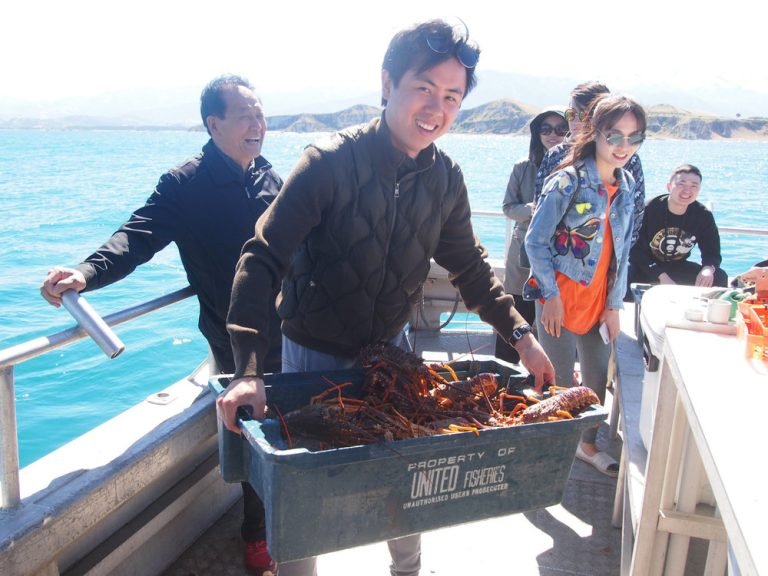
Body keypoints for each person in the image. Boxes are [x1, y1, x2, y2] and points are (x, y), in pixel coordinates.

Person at [218, 19, 556, 576]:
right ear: (387, 83)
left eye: (452, 97)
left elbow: (471, 269)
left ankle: (407, 570)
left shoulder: (445, 179)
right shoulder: (328, 162)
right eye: (424, 88)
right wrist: (248, 370)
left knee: (407, 475)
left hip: (393, 354)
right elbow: (261, 260)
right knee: (309, 489)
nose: (436, 108)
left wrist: (522, 336)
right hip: (313, 354)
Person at [39, 75, 282, 576]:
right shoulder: (185, 184)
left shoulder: (269, 177)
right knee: (254, 431)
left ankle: (287, 514)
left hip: (288, 326)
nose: (257, 124)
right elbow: (136, 237)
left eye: (260, 114)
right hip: (233, 336)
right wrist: (84, 273)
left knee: (290, 424)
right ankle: (257, 536)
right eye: (245, 115)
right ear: (214, 124)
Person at [524, 93, 646, 477]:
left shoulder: (627, 184)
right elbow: (535, 241)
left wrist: (614, 305)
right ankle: (551, 455)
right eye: (615, 135)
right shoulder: (567, 181)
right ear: (595, 132)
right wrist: (550, 296)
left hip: (598, 302)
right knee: (558, 383)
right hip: (559, 298)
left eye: (634, 137)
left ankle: (586, 445)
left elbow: (622, 252)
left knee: (594, 382)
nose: (624, 146)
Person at [495, 107, 567, 364]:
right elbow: (508, 206)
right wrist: (533, 210)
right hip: (523, 252)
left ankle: (548, 375)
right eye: (546, 129)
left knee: (553, 321)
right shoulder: (522, 167)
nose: (553, 135)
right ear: (537, 133)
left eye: (560, 129)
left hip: (559, 255)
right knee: (516, 312)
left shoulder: (577, 168)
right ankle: (504, 369)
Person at [534, 81, 646, 247]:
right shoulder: (555, 155)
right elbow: (539, 209)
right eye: (571, 114)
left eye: (584, 115)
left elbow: (635, 217)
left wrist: (617, 257)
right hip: (559, 254)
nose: (575, 121)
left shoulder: (626, 159)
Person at [629, 164, 728, 288]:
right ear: (669, 186)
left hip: (676, 266)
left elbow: (712, 252)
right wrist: (661, 276)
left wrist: (708, 269)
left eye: (694, 186)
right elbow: (635, 250)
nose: (687, 191)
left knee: (719, 276)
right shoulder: (648, 210)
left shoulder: (703, 215)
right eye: (681, 184)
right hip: (645, 266)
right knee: (625, 273)